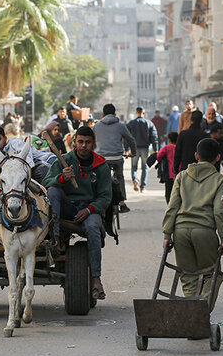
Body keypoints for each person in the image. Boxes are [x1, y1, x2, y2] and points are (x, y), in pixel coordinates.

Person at [42, 126, 111, 300]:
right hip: (67, 207)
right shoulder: (64, 160)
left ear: (93, 143)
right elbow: (46, 182)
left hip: (89, 209)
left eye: (88, 142)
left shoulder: (101, 165)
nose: (84, 146)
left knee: (94, 229)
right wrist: (61, 179)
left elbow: (105, 197)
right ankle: (56, 240)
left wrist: (89, 210)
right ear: (74, 142)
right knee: (54, 192)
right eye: (80, 142)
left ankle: (96, 278)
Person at [162, 138, 223, 311]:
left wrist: (166, 234)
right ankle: (200, 312)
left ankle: (191, 315)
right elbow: (219, 211)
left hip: (180, 231)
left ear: (196, 156)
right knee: (212, 274)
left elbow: (172, 207)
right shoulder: (220, 181)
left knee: (188, 275)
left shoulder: (182, 176)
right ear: (217, 158)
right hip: (205, 232)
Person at [94, 103, 137, 213]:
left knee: (102, 179)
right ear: (114, 114)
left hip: (102, 159)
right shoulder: (121, 125)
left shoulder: (96, 126)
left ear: (103, 114)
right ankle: (122, 203)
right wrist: (133, 152)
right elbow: (131, 139)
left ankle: (101, 202)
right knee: (119, 178)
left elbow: (92, 142)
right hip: (117, 158)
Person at [127, 107, 159, 193]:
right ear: (143, 113)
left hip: (134, 149)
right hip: (145, 148)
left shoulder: (131, 123)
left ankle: (135, 179)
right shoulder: (149, 123)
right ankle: (143, 187)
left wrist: (126, 148)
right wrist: (156, 149)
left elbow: (126, 136)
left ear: (136, 113)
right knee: (145, 167)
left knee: (134, 167)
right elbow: (154, 137)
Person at [173, 110, 207, 174]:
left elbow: (177, 153)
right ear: (201, 120)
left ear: (190, 119)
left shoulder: (183, 134)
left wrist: (175, 169)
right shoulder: (205, 135)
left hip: (186, 169)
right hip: (202, 170)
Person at [156, 132, 178, 203]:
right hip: (178, 173)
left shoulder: (166, 148)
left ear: (168, 140)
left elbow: (158, 156)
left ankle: (170, 206)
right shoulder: (179, 147)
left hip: (168, 174)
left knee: (168, 192)